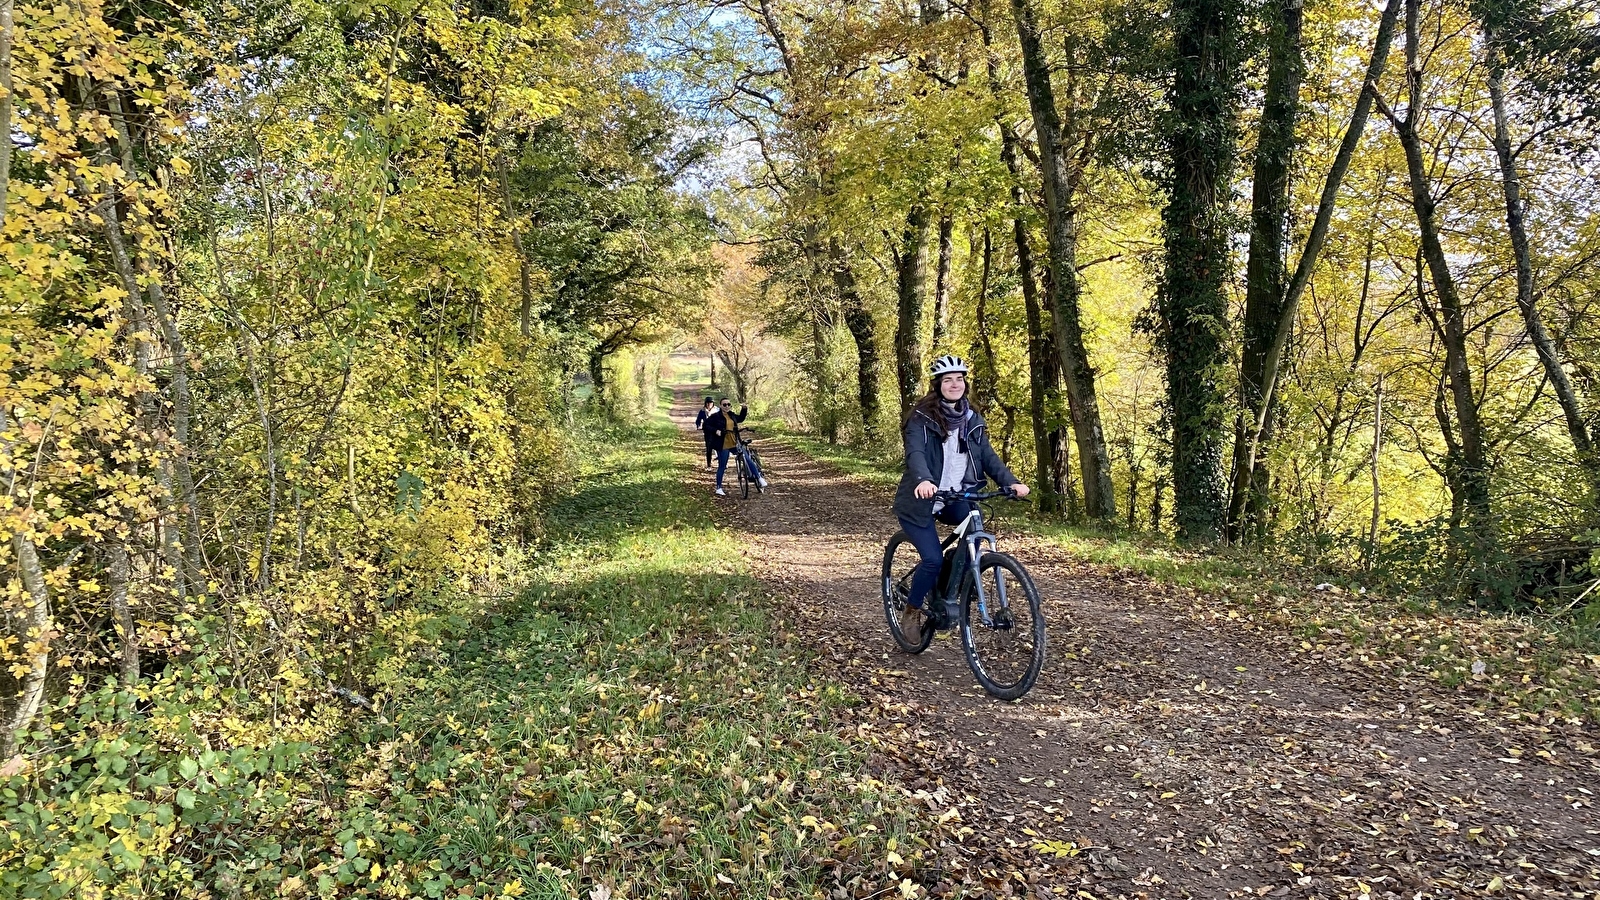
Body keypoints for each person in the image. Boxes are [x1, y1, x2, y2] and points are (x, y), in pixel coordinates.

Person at [891, 355, 1029, 634]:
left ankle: (956, 578)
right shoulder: (921, 419)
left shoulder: (972, 419)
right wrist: (923, 479)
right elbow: (915, 453)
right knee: (932, 559)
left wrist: (1011, 482)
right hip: (921, 499)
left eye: (959, 379)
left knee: (974, 533)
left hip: (956, 496)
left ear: (964, 384)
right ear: (938, 385)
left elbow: (988, 457)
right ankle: (912, 610)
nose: (954, 384)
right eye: (947, 380)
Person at [704, 397, 748, 496]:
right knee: (722, 466)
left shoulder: (731, 415)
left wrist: (744, 409)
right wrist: (716, 430)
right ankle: (719, 487)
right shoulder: (716, 416)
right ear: (720, 406)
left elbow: (740, 418)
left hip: (733, 442)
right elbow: (706, 425)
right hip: (722, 444)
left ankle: (758, 477)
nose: (727, 406)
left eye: (728, 404)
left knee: (746, 458)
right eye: (724, 405)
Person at [693, 397, 716, 468]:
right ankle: (709, 464)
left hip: (716, 431)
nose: (709, 404)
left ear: (713, 404)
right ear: (705, 404)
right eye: (708, 403)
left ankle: (722, 462)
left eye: (711, 403)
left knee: (720, 447)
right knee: (709, 447)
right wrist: (698, 425)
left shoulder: (717, 410)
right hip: (707, 432)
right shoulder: (702, 411)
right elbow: (698, 420)